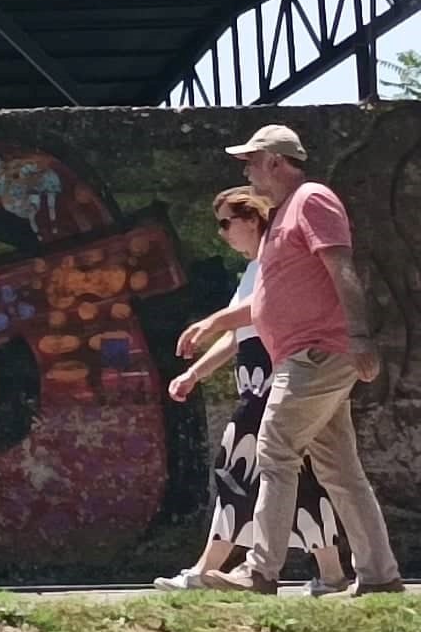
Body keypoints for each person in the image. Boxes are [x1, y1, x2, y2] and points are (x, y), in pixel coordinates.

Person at [176, 125, 404, 596]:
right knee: (340, 471)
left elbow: (342, 267)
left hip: (317, 354)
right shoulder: (283, 215)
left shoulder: (313, 199)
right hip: (307, 356)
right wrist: (213, 323)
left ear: (275, 162)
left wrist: (359, 335)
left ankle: (260, 573)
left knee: (274, 451)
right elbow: (268, 298)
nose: (247, 169)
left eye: (252, 161)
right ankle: (380, 576)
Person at [154, 186, 348, 595]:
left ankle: (205, 570)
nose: (222, 233)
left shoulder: (274, 267)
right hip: (258, 386)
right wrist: (195, 374)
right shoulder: (255, 271)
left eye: (227, 222)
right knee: (301, 479)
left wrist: (211, 324)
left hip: (269, 388)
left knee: (234, 471)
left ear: (253, 219)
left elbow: (247, 323)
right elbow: (241, 334)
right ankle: (330, 575)